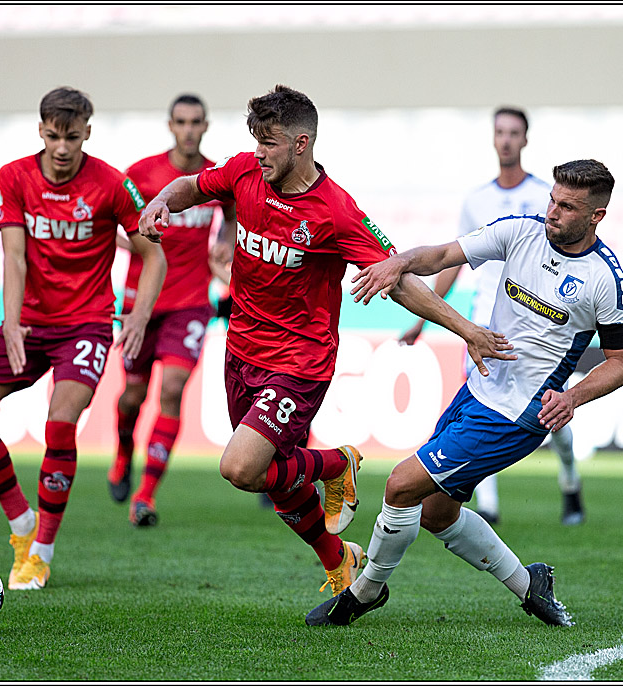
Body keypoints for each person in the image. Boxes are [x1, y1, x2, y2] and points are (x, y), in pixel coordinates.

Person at [137, 85, 513, 598]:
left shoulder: (334, 211)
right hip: (241, 350)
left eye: (269, 142)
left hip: (299, 360)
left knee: (240, 467)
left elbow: (397, 278)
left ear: (301, 143)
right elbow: (191, 187)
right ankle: (339, 560)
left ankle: (339, 463)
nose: (259, 151)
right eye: (256, 140)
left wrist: (466, 330)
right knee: (276, 477)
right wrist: (161, 200)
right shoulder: (245, 171)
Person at [307, 159, 623, 628]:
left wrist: (573, 397)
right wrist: (397, 261)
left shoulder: (606, 279)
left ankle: (362, 592)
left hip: (518, 414)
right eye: (552, 200)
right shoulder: (520, 231)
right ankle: (529, 584)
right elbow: (441, 256)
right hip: (477, 391)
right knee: (437, 514)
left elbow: (621, 363)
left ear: (596, 216)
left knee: (400, 485)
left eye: (567, 206)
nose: (553, 211)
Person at [0, 87, 166, 591]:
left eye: (72, 136)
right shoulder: (14, 177)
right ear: (40, 131)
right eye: (52, 136)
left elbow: (152, 254)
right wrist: (10, 321)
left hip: (86, 324)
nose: (62, 148)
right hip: (27, 321)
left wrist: (137, 316)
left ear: (87, 131)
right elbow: (15, 257)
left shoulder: (113, 184)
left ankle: (40, 552)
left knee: (60, 422)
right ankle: (20, 522)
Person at [399, 107, 586, 526]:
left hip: (539, 327)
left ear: (525, 139)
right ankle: (488, 507)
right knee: (480, 404)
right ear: (493, 137)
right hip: (484, 323)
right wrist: (422, 320)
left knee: (550, 414)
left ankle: (570, 478)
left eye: (513, 133)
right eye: (499, 132)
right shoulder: (476, 200)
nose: (505, 139)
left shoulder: (548, 197)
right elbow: (456, 260)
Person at [107, 93, 236, 527]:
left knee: (173, 390)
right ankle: (123, 452)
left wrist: (225, 238)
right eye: (180, 121)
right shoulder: (141, 175)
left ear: (205, 125)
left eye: (196, 121)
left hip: (191, 302)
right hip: (139, 301)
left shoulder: (214, 178)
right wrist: (135, 241)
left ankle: (145, 496)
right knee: (133, 396)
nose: (188, 129)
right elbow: (111, 222)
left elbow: (233, 211)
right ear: (170, 126)